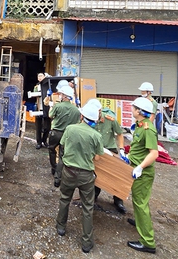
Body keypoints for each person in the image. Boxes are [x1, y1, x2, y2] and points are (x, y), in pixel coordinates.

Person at [55, 99, 104, 253]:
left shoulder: (70, 129)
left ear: (82, 116)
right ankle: (86, 243)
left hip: (68, 172)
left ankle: (61, 227)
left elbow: (62, 145)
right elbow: (97, 158)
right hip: (86, 175)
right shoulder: (96, 135)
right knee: (88, 207)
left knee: (65, 199)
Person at [126, 96, 159, 254]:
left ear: (139, 111)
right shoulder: (140, 126)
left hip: (143, 173)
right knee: (138, 202)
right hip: (136, 168)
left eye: (133, 107)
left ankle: (148, 242)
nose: (131, 109)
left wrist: (139, 166)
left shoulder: (148, 129)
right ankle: (140, 222)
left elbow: (154, 153)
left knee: (141, 204)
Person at [91, 100, 128, 214]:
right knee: (95, 174)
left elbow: (120, 134)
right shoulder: (89, 118)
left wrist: (121, 149)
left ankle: (118, 200)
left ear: (100, 111)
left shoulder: (110, 119)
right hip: (96, 149)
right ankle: (94, 195)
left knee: (116, 175)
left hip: (109, 148)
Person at [44, 84, 80, 187]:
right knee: (62, 155)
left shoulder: (58, 106)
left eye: (61, 94)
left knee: (51, 150)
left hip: (56, 133)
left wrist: (52, 107)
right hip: (68, 135)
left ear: (65, 96)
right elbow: (77, 123)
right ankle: (58, 177)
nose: (59, 95)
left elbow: (50, 115)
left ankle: (53, 168)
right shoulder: (76, 110)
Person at [34, 73, 49, 149]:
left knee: (47, 126)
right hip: (39, 107)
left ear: (44, 77)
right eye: (38, 76)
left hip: (47, 107)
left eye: (41, 76)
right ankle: (39, 142)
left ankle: (45, 140)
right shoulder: (37, 86)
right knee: (38, 126)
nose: (39, 77)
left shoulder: (48, 84)